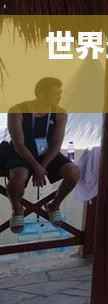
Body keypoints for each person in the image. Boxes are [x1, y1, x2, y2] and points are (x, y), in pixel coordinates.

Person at [2, 77, 80, 233]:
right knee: (17, 178)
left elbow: (56, 144)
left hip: (46, 153)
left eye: (59, 94)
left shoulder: (60, 113)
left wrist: (42, 166)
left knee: (73, 173)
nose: (58, 97)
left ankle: (54, 206)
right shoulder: (17, 110)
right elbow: (18, 144)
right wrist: (36, 167)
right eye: (53, 94)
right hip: (21, 152)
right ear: (39, 93)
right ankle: (17, 210)